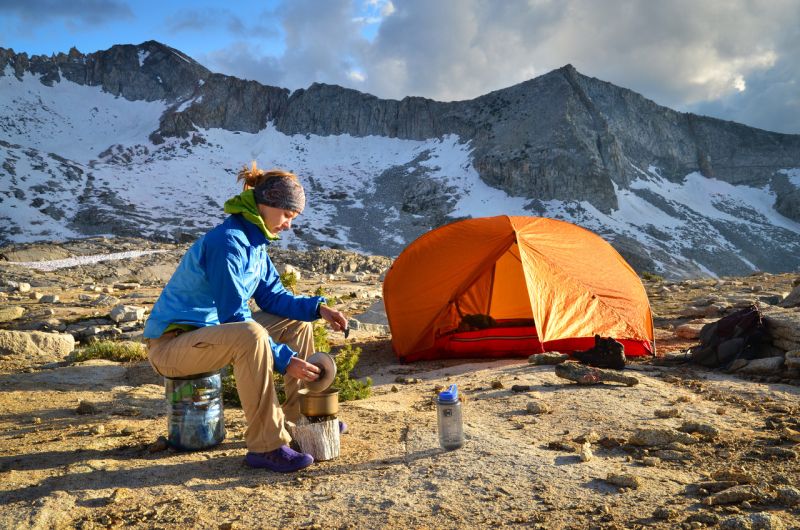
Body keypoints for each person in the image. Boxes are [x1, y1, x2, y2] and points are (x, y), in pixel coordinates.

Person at [143, 162, 349, 473]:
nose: (289, 225)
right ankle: (266, 445)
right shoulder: (228, 243)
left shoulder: (255, 245)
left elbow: (274, 298)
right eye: (287, 216)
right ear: (266, 205)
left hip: (209, 338)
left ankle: (300, 419)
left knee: (296, 322)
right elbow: (234, 316)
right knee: (250, 334)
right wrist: (284, 359)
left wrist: (319, 309)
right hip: (172, 348)